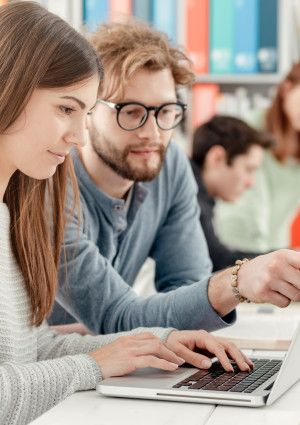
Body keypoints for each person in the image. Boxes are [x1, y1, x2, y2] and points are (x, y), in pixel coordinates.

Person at [0, 3, 254, 424]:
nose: (79, 136)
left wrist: (159, 341)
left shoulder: (11, 214)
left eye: (82, 113)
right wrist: (95, 365)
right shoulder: (45, 197)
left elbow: (32, 349)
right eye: (66, 109)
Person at [49, 20, 300, 338]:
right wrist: (236, 281)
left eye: (165, 111)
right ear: (88, 110)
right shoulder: (51, 182)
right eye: (130, 111)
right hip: (52, 376)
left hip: (114, 368)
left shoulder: (169, 164)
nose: (152, 134)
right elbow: (117, 317)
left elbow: (189, 287)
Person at [216, 63, 300, 253]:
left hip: (276, 245)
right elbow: (249, 200)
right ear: (287, 89)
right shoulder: (250, 128)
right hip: (236, 245)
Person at [191, 115, 272, 271]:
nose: (251, 183)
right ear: (217, 158)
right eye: (249, 169)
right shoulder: (189, 197)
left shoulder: (200, 194)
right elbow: (216, 259)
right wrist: (282, 257)